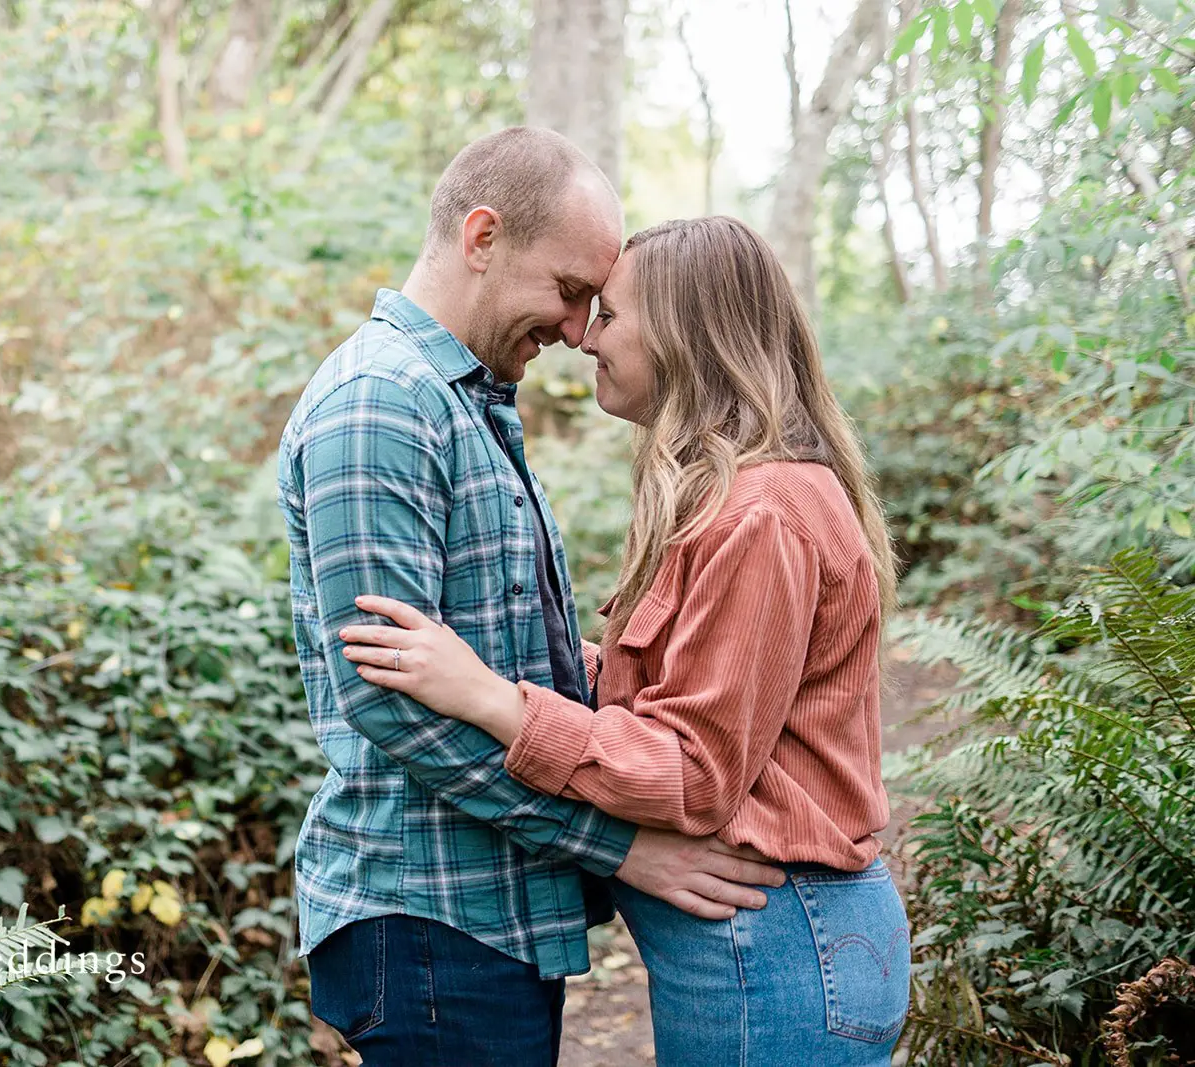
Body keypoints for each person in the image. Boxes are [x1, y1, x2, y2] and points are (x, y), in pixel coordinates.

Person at [340, 215, 912, 1065]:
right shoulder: (732, 501)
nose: (583, 336)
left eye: (606, 312)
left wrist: (495, 699)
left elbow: (695, 770)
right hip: (764, 945)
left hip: (782, 946)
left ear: (689, 335)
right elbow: (672, 691)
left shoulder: (765, 514)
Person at [277, 130, 786, 1067]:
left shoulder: (458, 400)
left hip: (482, 912)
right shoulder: (381, 405)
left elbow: (508, 653)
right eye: (567, 291)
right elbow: (391, 702)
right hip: (430, 913)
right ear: (482, 237)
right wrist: (619, 846)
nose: (579, 328)